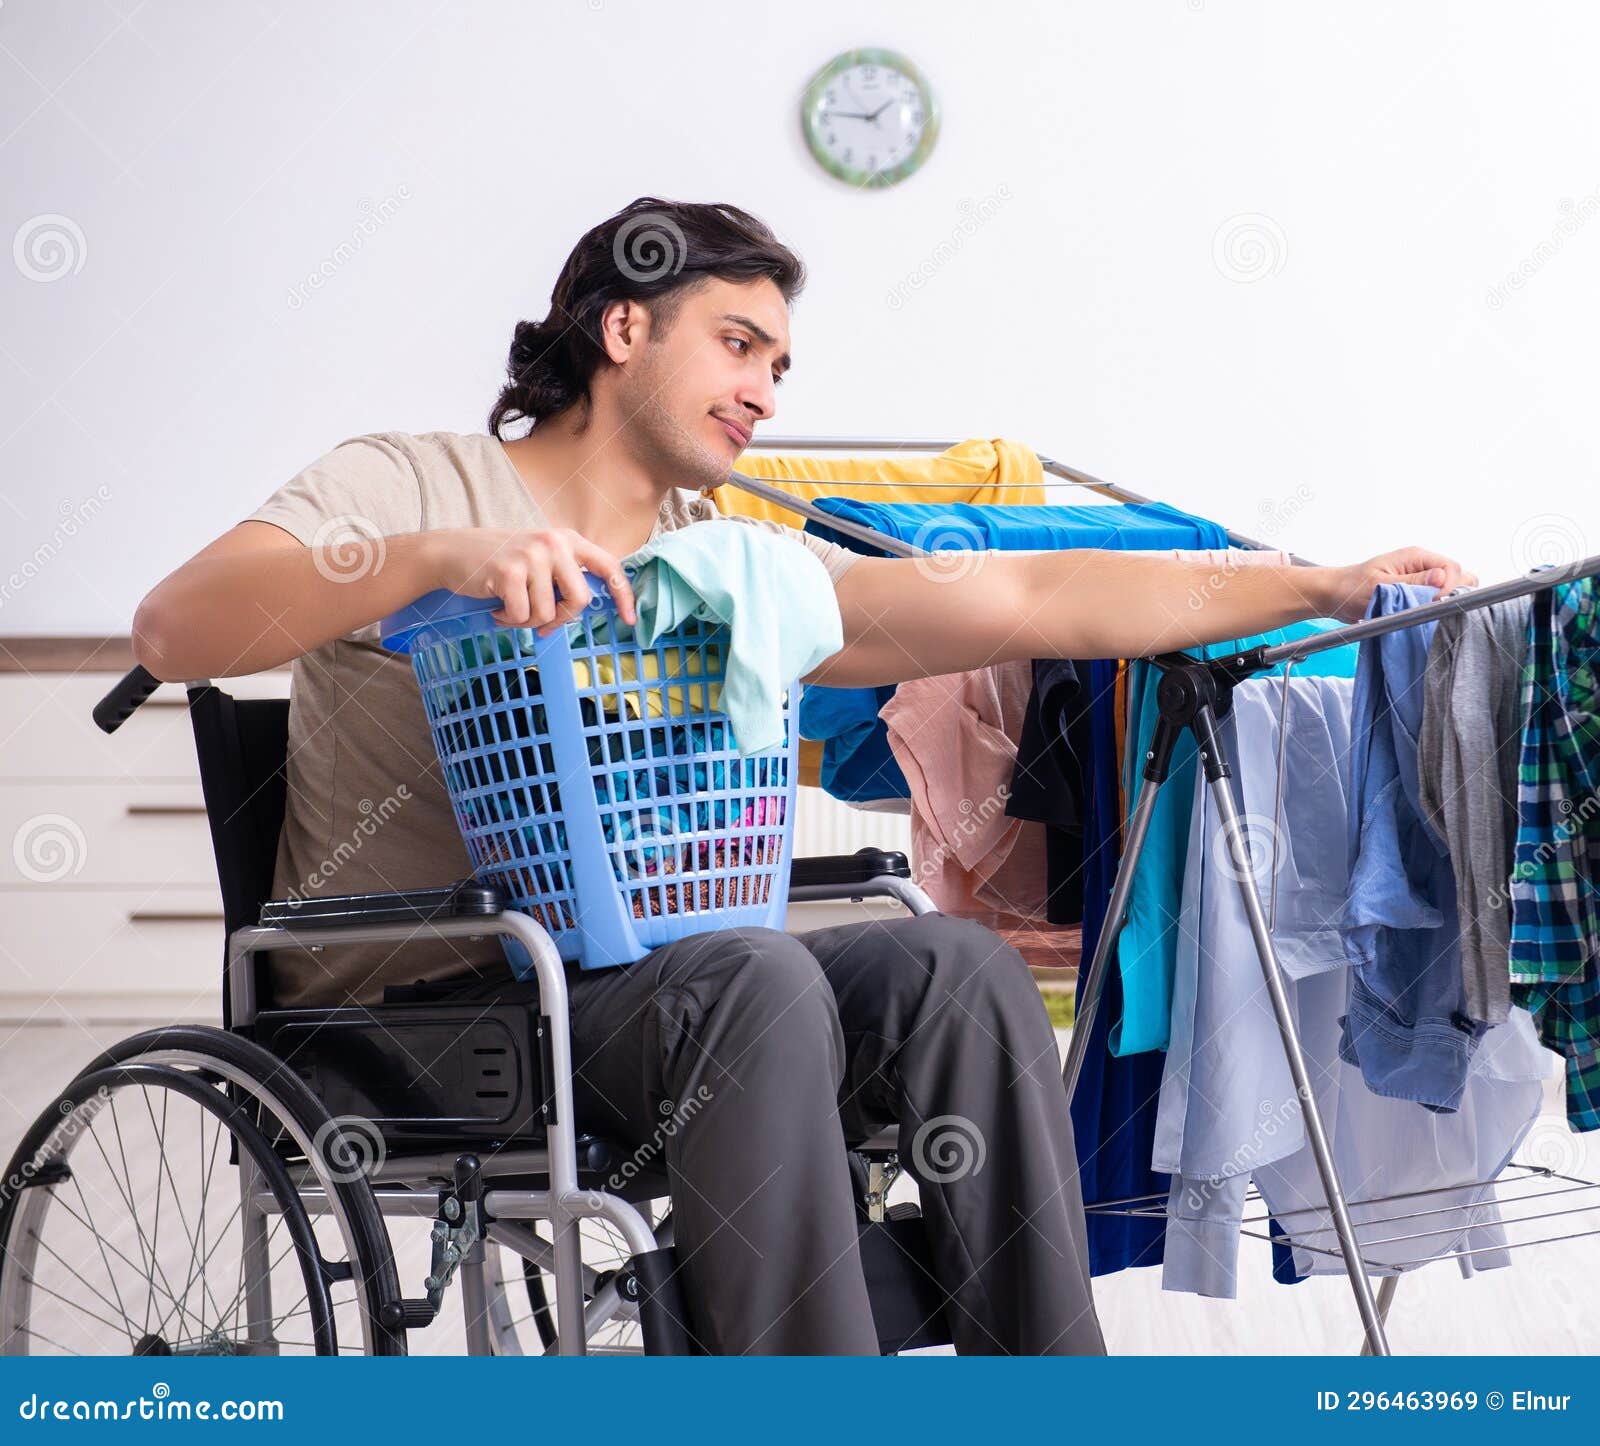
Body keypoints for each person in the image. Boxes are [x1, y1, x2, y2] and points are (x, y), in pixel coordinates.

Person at [132, 196, 1474, 1356]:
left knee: (955, 966)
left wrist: (1314, 581)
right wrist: (437, 561)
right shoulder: (413, 479)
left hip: (637, 1000)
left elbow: (1025, 589)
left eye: (780, 362)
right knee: (756, 972)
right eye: (739, 344)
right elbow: (176, 625)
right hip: (417, 1013)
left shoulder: (727, 558)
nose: (767, 389)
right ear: (623, 330)